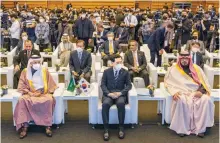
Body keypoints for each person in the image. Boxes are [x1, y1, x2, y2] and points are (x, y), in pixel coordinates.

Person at [164, 50, 214, 138]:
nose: (184, 60)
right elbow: (168, 83)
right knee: (181, 99)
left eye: (186, 58)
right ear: (179, 58)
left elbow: (204, 83)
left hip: (196, 92)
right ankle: (181, 129)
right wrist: (174, 92)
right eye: (182, 58)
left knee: (206, 100)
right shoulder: (173, 69)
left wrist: (201, 91)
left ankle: (201, 129)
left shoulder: (197, 68)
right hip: (182, 92)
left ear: (189, 58)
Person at [14, 55, 57, 139]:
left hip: (43, 93)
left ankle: (47, 126)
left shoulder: (44, 70)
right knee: (22, 100)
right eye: (35, 62)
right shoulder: (25, 71)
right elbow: (21, 86)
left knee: (49, 100)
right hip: (29, 94)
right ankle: (25, 126)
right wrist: (30, 93)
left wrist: (41, 92)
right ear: (30, 63)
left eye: (38, 62)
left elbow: (51, 83)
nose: (37, 64)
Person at [101, 54, 132, 141]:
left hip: (120, 94)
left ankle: (121, 128)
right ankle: (106, 129)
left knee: (121, 103)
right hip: (109, 94)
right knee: (105, 104)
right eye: (117, 62)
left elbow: (129, 85)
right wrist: (108, 93)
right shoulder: (106, 72)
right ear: (112, 63)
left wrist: (121, 93)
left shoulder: (125, 72)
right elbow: (102, 85)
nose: (119, 64)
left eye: (120, 62)